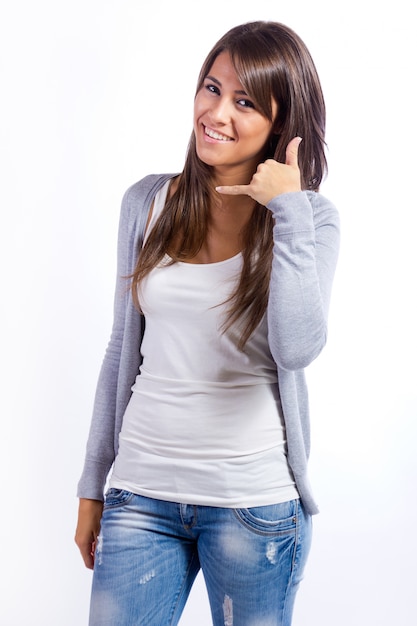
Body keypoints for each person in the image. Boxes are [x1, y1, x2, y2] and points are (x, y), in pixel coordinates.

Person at [75, 20, 340, 626]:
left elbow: (297, 347)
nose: (216, 112)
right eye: (211, 88)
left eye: (245, 102)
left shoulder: (311, 221)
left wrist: (290, 211)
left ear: (282, 125)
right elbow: (122, 349)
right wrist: (93, 485)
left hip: (253, 505)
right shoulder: (146, 202)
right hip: (140, 495)